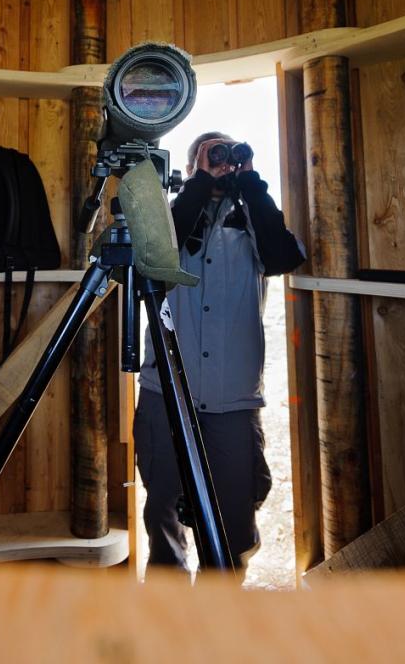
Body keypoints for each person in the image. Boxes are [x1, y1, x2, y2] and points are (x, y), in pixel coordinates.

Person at [134, 131, 304, 573]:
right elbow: (155, 256)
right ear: (190, 168)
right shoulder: (172, 218)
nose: (221, 162)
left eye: (228, 154)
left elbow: (284, 257)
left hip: (233, 398)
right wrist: (199, 184)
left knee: (233, 520)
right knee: (162, 512)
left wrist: (251, 184)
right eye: (210, 155)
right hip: (166, 392)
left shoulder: (253, 221)